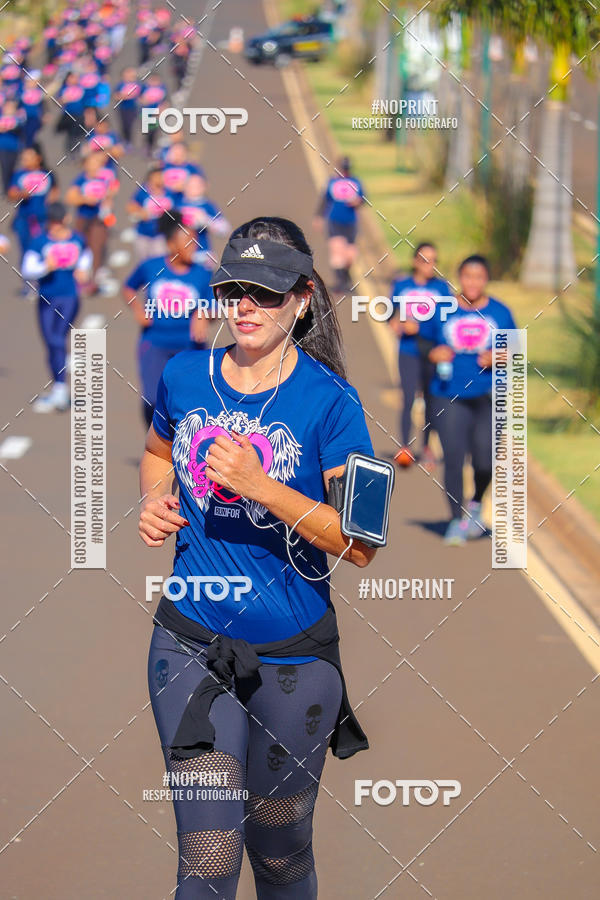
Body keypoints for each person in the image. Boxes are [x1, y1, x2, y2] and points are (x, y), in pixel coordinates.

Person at [139, 216, 377, 900]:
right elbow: (159, 454)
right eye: (232, 290)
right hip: (190, 646)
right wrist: (156, 499)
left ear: (301, 298)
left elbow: (359, 543)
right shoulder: (186, 375)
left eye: (265, 293)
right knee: (209, 862)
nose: (244, 306)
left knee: (278, 855)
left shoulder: (333, 404)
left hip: (295, 664)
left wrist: (259, 486)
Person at [418, 254, 517, 545]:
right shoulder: (442, 309)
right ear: (459, 278)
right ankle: (455, 519)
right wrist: (433, 353)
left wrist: (500, 357)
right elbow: (423, 343)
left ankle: (475, 504)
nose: (473, 282)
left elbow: (514, 351)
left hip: (487, 395)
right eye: (467, 276)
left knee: (485, 459)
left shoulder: (501, 312)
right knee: (454, 458)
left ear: (486, 280)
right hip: (448, 394)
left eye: (479, 277)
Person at [123, 211, 210, 427]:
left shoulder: (203, 274)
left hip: (190, 346)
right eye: (188, 243)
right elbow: (128, 287)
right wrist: (137, 309)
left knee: (189, 401)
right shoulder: (151, 267)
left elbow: (215, 305)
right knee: (153, 399)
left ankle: (180, 448)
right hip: (155, 343)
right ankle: (155, 446)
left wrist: (203, 314)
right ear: (172, 245)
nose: (194, 248)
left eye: (195, 243)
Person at [387, 242, 452, 469]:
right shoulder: (402, 285)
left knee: (431, 400)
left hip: (432, 352)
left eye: (434, 261)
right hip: (408, 351)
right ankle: (404, 446)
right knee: (408, 397)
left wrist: (422, 329)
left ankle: (426, 447)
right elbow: (390, 312)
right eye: (425, 260)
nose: (430, 265)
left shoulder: (442, 289)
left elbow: (447, 322)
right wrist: (395, 322)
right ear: (415, 262)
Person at [21, 201, 91, 412]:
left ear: (66, 220)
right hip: (46, 298)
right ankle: (58, 386)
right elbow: (27, 270)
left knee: (56, 338)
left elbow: (86, 258)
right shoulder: (39, 242)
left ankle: (60, 389)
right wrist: (46, 267)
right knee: (50, 342)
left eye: (57, 223)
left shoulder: (78, 240)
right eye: (50, 223)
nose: (54, 228)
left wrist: (83, 270)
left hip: (69, 297)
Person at [66, 148, 118, 287]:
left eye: (97, 162)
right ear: (86, 164)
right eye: (93, 161)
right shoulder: (80, 180)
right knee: (82, 246)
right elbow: (70, 198)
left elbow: (111, 193)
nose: (96, 165)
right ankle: (80, 276)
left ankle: (94, 281)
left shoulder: (105, 178)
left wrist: (108, 205)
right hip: (83, 218)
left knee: (97, 246)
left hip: (99, 219)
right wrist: (85, 199)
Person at [314, 156, 364, 292]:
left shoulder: (356, 182)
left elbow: (363, 199)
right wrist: (319, 217)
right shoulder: (332, 182)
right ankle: (341, 283)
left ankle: (346, 278)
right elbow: (325, 200)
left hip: (350, 222)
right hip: (334, 221)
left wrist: (357, 202)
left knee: (350, 255)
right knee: (337, 251)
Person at [8, 143, 59, 273]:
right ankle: (28, 282)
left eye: (29, 157)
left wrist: (50, 207)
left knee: (43, 248)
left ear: (38, 158)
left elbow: (54, 193)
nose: (25, 161)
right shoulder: (18, 175)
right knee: (26, 249)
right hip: (24, 218)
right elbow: (11, 193)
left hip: (43, 218)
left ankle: (44, 276)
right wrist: (21, 194)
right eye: (23, 158)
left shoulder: (48, 174)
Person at [127, 166, 175, 261]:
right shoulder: (143, 191)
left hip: (161, 235)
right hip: (143, 233)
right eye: (156, 177)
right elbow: (131, 206)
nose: (159, 180)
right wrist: (140, 213)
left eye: (161, 177)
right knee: (144, 261)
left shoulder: (170, 192)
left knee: (159, 260)